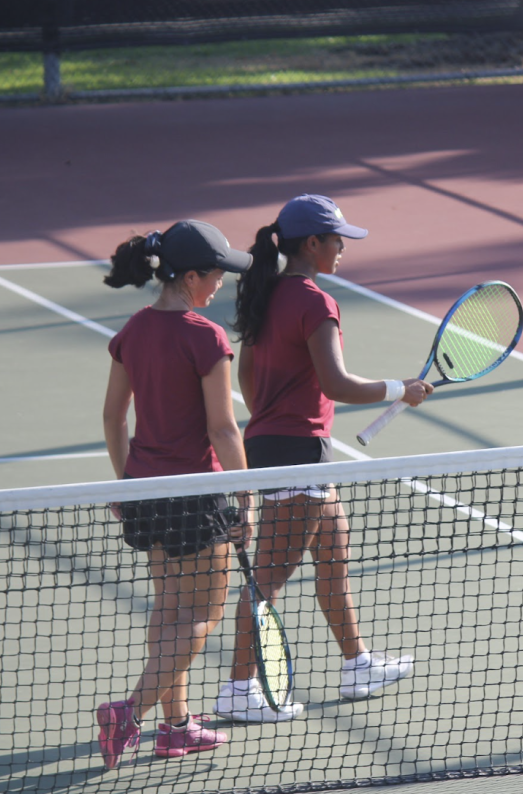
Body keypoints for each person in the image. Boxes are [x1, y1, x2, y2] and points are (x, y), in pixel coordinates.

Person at [213, 194, 432, 722]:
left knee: (333, 555)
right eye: (338, 240)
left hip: (281, 445)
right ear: (313, 243)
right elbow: (337, 383)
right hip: (298, 452)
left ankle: (357, 665)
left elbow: (246, 379)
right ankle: (239, 691)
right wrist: (399, 388)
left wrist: (278, 409)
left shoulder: (265, 295)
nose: (342, 249)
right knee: (266, 578)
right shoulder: (314, 301)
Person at [95, 220, 254, 768]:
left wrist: (125, 483)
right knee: (203, 614)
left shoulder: (133, 331)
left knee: (168, 610)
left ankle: (177, 726)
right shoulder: (204, 337)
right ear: (190, 277)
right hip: (196, 493)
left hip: (145, 491)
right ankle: (131, 712)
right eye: (215, 276)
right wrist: (244, 496)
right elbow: (223, 430)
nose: (219, 286)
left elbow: (114, 417)